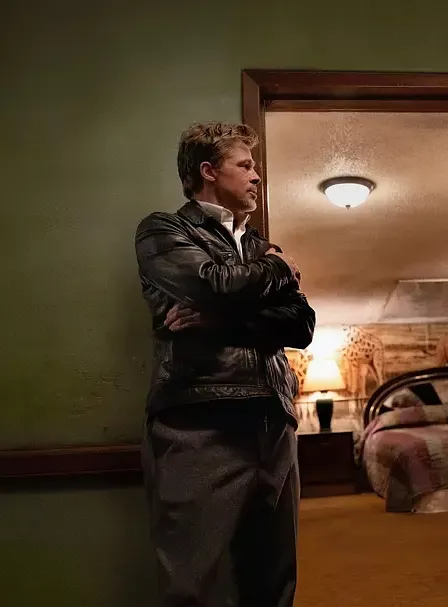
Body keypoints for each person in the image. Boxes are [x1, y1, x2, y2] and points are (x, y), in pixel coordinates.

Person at [134, 121, 316, 607]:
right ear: (209, 171)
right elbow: (209, 284)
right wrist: (277, 268)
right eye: (246, 165)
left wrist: (218, 319)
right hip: (200, 421)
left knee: (274, 581)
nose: (257, 176)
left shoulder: (258, 246)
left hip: (273, 421)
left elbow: (301, 325)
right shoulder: (164, 229)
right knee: (196, 583)